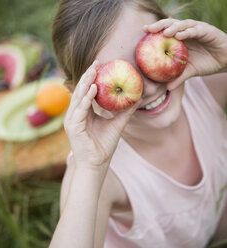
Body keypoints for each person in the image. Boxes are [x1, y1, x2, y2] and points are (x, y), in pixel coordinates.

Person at [49, 0, 227, 247]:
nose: (150, 87)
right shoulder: (99, 174)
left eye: (149, 56)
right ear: (80, 95)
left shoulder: (205, 90)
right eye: (121, 76)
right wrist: (91, 168)